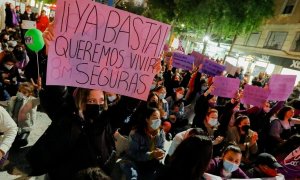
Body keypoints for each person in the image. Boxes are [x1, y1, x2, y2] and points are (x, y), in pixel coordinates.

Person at [26, 87, 116, 179]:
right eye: (91, 101)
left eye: (101, 101)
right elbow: (58, 96)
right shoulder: (68, 120)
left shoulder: (105, 122)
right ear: (81, 101)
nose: (97, 105)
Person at [118, 107, 165, 180]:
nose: (158, 121)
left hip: (150, 163)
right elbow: (133, 154)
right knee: (133, 176)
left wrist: (161, 153)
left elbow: (162, 147)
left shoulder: (161, 132)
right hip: (133, 161)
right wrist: (151, 155)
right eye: (155, 118)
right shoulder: (136, 133)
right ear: (147, 119)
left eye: (159, 118)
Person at [7, 81, 40, 147]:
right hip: (14, 126)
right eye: (20, 91)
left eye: (24, 92)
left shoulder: (31, 101)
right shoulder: (13, 99)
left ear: (29, 94)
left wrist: (40, 90)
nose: (21, 93)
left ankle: (22, 139)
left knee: (22, 140)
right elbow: (8, 107)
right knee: (9, 140)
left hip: (25, 127)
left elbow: (40, 100)